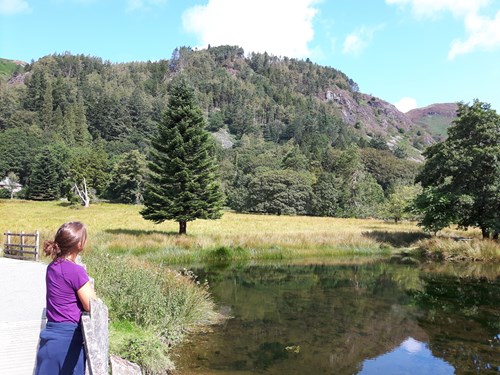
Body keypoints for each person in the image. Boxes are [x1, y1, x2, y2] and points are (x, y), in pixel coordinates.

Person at [35, 221, 96, 375]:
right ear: (80, 244)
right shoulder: (75, 271)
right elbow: (92, 304)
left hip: (50, 338)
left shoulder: (52, 266)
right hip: (67, 342)